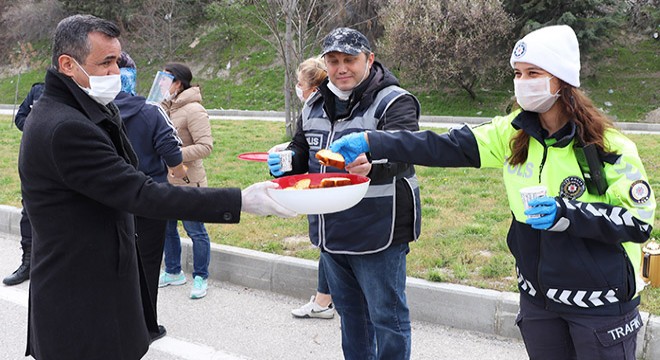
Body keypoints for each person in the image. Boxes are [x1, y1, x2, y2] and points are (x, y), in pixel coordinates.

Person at [330, 25, 656, 360]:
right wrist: (374, 141)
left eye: (533, 73)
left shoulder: (610, 147)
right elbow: (443, 146)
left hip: (599, 306)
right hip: (539, 301)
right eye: (517, 73)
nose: (522, 82)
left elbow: (639, 222)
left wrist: (567, 214)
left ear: (561, 79)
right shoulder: (512, 133)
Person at [19, 14, 295, 360]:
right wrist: (240, 200)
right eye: (105, 63)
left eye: (117, 62)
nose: (115, 73)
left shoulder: (84, 109)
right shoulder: (65, 127)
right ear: (68, 64)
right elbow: (140, 192)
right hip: (81, 299)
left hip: (97, 283)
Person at [267, 28, 422, 359]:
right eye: (334, 61)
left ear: (369, 59)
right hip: (331, 231)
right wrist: (284, 162)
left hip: (378, 232)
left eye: (350, 60)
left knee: (387, 319)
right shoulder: (314, 105)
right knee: (352, 319)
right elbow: (301, 150)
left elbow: (406, 152)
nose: (341, 69)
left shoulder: (394, 101)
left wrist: (375, 165)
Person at [114, 51, 187, 341]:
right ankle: (147, 325)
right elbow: (173, 154)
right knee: (147, 264)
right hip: (149, 197)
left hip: (111, 198)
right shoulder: (151, 111)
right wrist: (177, 174)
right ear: (133, 77)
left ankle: (116, 322)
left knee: (113, 262)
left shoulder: (94, 112)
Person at [268, 56, 335, 319]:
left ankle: (325, 301)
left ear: (313, 87)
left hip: (334, 192)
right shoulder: (309, 111)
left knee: (331, 246)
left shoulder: (332, 108)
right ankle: (324, 299)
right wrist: (285, 163)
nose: (297, 88)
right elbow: (301, 148)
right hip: (317, 194)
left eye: (300, 83)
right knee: (326, 245)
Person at [156, 63, 216, 300]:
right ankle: (173, 271)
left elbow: (205, 146)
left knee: (195, 230)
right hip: (166, 180)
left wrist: (174, 155)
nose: (160, 84)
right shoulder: (162, 107)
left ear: (178, 83)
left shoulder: (194, 110)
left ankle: (201, 276)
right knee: (168, 228)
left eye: (165, 80)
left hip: (189, 181)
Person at [2, 81, 44, 286]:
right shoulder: (38, 90)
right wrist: (39, 127)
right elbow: (20, 117)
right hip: (34, 159)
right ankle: (27, 262)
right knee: (28, 212)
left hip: (60, 161)